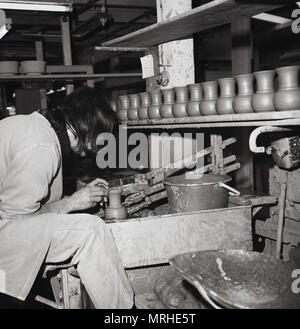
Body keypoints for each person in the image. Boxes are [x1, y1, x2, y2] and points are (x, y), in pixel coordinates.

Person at [0, 87, 134, 308]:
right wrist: (72, 203)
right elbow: (18, 218)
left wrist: (74, 198)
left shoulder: (38, 128)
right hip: (6, 230)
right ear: (88, 128)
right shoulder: (42, 145)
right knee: (91, 231)